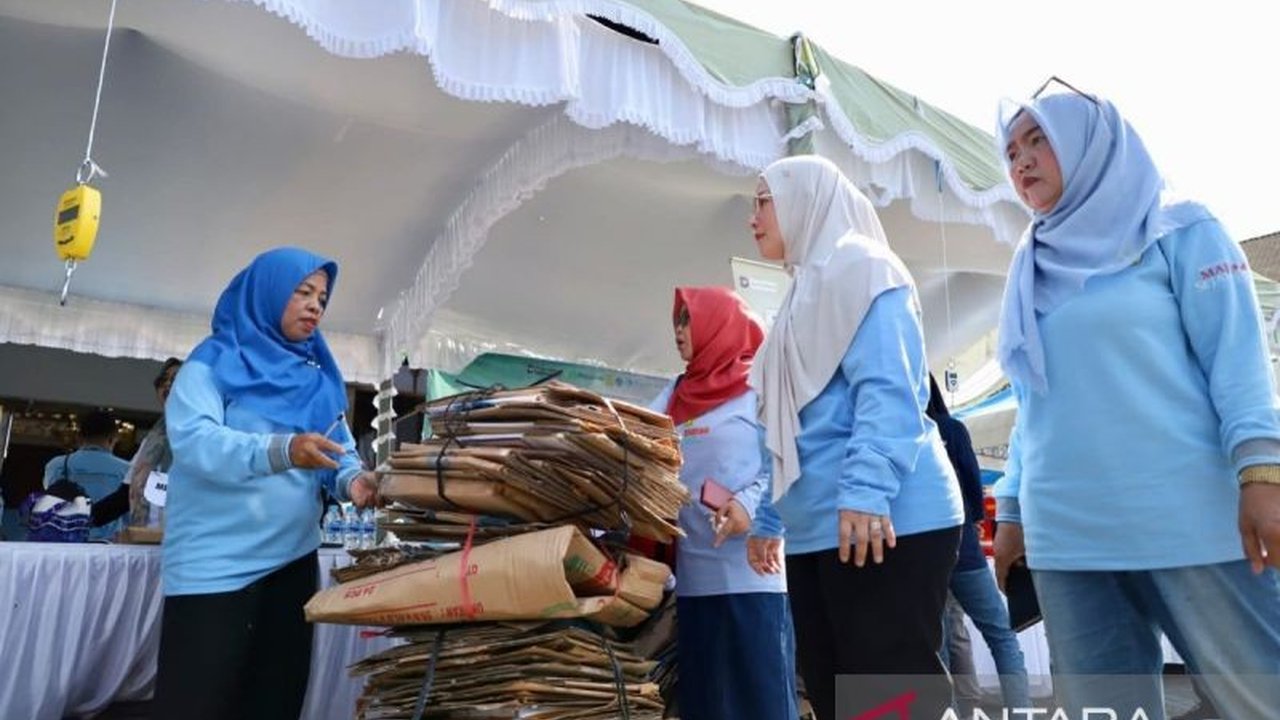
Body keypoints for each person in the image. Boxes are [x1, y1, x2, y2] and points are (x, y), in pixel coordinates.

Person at [991, 85, 1280, 718]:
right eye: (1011, 152)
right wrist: (1011, 506)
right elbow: (1032, 404)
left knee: (1262, 699)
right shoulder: (1030, 265)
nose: (1022, 161)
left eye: (1039, 140)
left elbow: (1236, 361)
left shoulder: (1180, 228)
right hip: (1068, 533)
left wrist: (1262, 473)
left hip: (1187, 520)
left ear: (1089, 143)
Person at [745, 155, 964, 720]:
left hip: (886, 519)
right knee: (832, 694)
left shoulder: (864, 269)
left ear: (804, 199)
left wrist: (866, 491)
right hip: (818, 528)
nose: (753, 216)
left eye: (764, 200)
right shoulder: (800, 296)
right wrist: (771, 516)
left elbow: (889, 391)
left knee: (887, 700)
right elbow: (788, 424)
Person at [151, 247, 379, 720]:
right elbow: (196, 442)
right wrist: (284, 450)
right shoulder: (210, 364)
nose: (315, 306)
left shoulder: (314, 375)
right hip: (214, 566)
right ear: (267, 292)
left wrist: (354, 481)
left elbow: (337, 449)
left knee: (274, 703)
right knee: (195, 705)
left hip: (292, 564)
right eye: (303, 292)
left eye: (322, 298)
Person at [649, 286, 798, 720]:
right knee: (708, 704)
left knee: (762, 703)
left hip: (753, 577)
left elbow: (788, 461)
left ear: (720, 326)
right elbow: (636, 435)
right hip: (695, 580)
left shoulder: (759, 389)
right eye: (676, 321)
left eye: (688, 320)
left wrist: (748, 506)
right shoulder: (675, 393)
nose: (678, 331)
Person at [927, 374, 1030, 711]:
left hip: (926, 556)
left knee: (940, 645)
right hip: (966, 551)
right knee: (1001, 635)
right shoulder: (952, 429)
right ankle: (1020, 712)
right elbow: (974, 488)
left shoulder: (904, 432)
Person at [90, 357, 183, 531]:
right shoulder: (152, 442)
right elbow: (123, 497)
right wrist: (80, 518)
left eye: (176, 379)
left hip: (188, 538)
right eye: (163, 380)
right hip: (147, 536)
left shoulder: (205, 435)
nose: (167, 385)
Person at [43, 409, 129, 541]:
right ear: (113, 439)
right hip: (109, 545)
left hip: (66, 541)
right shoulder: (127, 469)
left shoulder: (57, 465)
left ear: (79, 437)